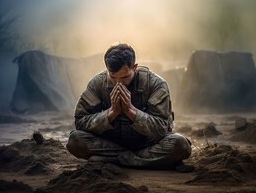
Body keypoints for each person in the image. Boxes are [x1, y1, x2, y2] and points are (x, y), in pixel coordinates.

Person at [66, 43, 193, 172]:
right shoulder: (97, 84)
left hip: (148, 144)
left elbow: (161, 129)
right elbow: (80, 121)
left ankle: (115, 161)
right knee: (75, 140)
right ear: (107, 70)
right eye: (113, 77)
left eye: (125, 77)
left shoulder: (156, 84)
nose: (119, 83)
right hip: (111, 145)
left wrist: (131, 112)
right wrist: (111, 113)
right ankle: (143, 161)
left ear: (135, 68)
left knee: (180, 145)